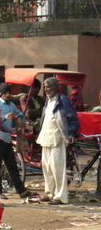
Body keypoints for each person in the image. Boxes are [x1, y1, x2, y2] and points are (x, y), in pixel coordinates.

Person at [36, 77, 79, 205]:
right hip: (46, 138)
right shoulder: (48, 101)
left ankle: (60, 197)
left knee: (57, 168)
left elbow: (73, 118)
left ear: (56, 87)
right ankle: (50, 194)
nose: (46, 89)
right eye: (45, 87)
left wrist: (71, 133)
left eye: (48, 87)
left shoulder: (62, 100)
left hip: (57, 138)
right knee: (47, 168)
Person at [0, 83, 34, 199]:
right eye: (5, 93)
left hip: (7, 138)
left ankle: (21, 191)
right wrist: (5, 118)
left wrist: (19, 118)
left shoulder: (11, 104)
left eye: (9, 92)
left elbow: (19, 114)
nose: (8, 95)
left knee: (12, 165)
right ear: (1, 94)